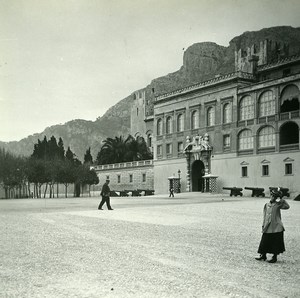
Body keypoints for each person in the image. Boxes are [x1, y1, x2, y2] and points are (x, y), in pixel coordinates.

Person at [255, 188, 290, 263]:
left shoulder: (278, 204)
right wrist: (263, 225)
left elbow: (287, 206)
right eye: (272, 196)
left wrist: (281, 200)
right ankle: (263, 255)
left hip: (277, 227)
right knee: (264, 241)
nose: (273, 198)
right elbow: (264, 216)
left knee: (275, 242)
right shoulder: (266, 205)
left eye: (275, 196)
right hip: (268, 226)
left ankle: (274, 257)